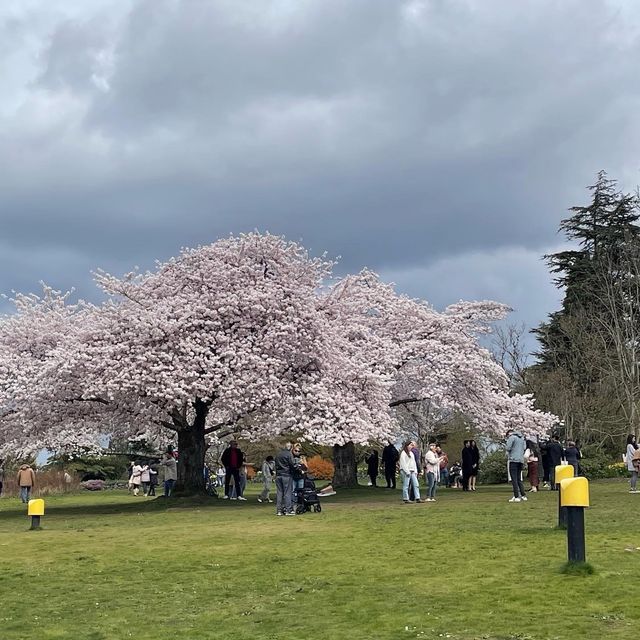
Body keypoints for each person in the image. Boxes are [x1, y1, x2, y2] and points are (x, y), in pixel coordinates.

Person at [505, 428, 527, 503]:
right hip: (520, 460)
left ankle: (516, 496)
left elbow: (508, 447)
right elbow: (524, 448)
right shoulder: (522, 438)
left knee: (514, 479)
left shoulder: (512, 438)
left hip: (513, 459)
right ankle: (523, 495)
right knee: (518, 478)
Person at [274, 442, 296, 516]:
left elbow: (276, 464)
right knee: (287, 493)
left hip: (278, 475)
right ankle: (288, 510)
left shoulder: (278, 455)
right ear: (290, 448)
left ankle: (279, 510)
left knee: (279, 493)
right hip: (286, 475)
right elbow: (292, 464)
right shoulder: (289, 454)